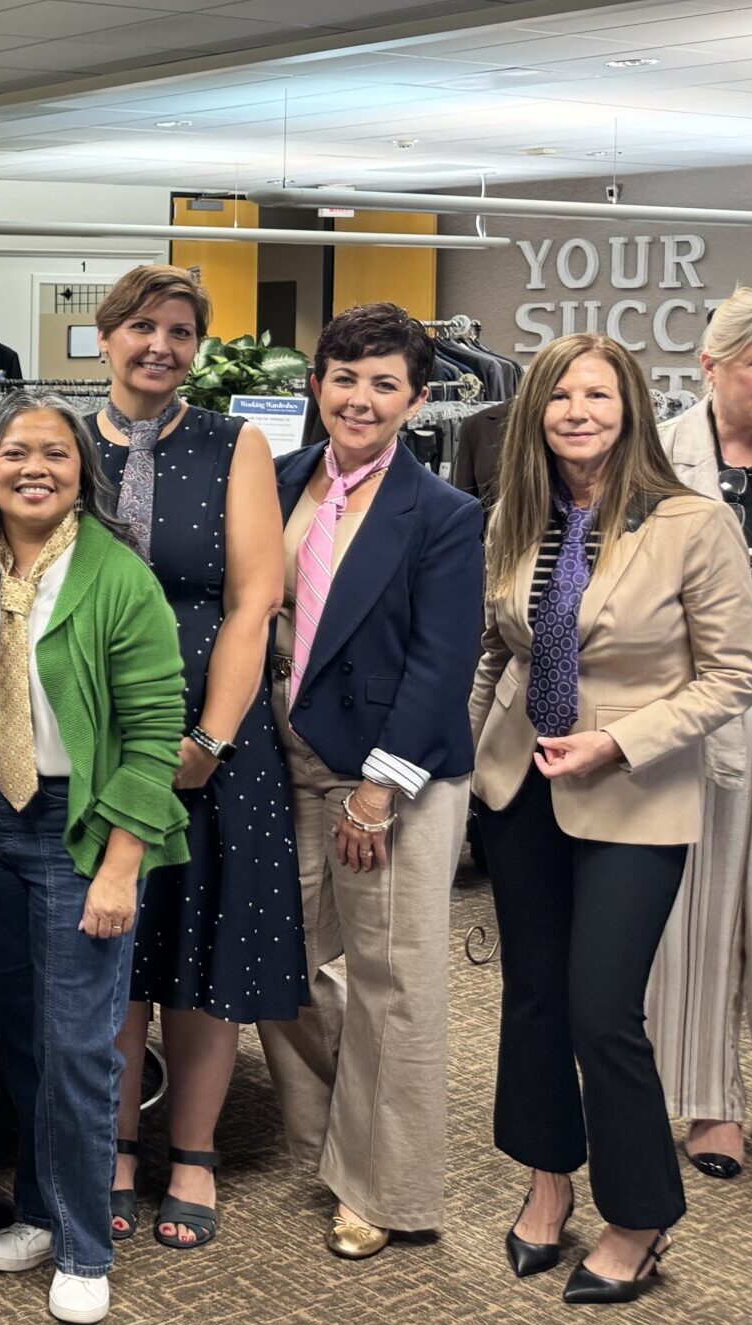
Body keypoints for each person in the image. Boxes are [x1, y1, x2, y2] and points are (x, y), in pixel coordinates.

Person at [474, 332, 752, 1304]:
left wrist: (619, 739)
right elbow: (496, 650)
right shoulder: (516, 514)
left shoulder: (691, 523)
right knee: (534, 998)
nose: (577, 412)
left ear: (631, 406)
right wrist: (468, 763)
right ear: (535, 412)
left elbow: (736, 672)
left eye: (597, 394)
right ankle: (547, 1180)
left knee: (602, 1009)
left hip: (636, 794)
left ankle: (639, 1218)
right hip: (520, 788)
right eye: (559, 396)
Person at [254, 304, 487, 1259]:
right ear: (317, 384)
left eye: (385, 383)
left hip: (393, 768)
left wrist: (379, 791)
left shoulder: (444, 514)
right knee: (285, 965)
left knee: (393, 981)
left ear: (416, 401)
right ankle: (332, 1140)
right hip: (282, 752)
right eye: (345, 378)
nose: (361, 398)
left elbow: (443, 663)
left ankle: (385, 1186)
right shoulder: (275, 482)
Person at [0, 393, 189, 1325]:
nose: (35, 469)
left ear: (83, 471)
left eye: (56, 453)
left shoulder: (116, 575)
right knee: (17, 1036)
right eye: (15, 452)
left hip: (77, 826)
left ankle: (87, 1246)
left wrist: (121, 864)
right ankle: (39, 1209)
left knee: (80, 1048)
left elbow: (156, 730)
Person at [87, 264, 302, 1251]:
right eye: (141, 326)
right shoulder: (65, 444)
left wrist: (210, 737)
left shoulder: (233, 444)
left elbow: (255, 601)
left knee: (203, 949)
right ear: (105, 337)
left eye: (180, 331)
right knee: (116, 952)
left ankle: (195, 1152)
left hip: (214, 736)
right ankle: (115, 1145)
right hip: (97, 741)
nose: (159, 346)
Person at [648, 287, 752, 1195]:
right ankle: (707, 1098)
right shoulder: (659, 454)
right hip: (693, 712)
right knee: (696, 918)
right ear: (712, 366)